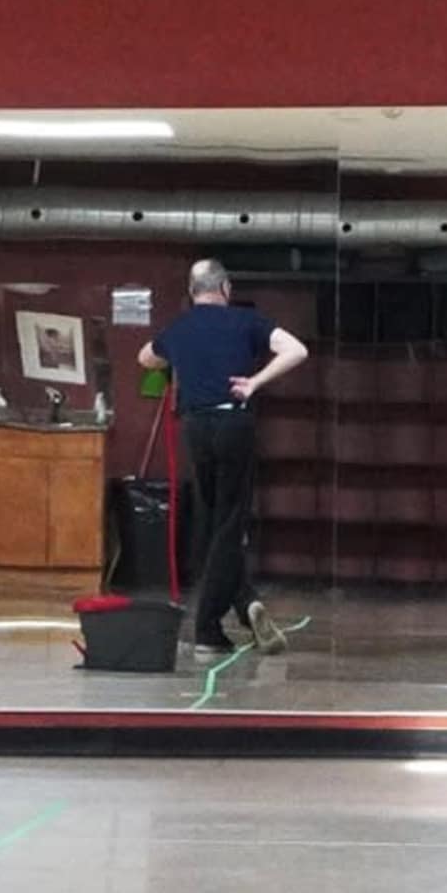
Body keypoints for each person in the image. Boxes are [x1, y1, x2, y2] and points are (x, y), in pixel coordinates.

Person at [139, 259, 309, 651]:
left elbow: (146, 357)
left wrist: (177, 357)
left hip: (195, 429)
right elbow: (296, 350)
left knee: (213, 525)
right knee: (230, 526)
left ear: (191, 291)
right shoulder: (246, 321)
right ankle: (207, 629)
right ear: (226, 289)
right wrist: (254, 382)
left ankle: (245, 602)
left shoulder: (179, 328)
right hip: (234, 425)